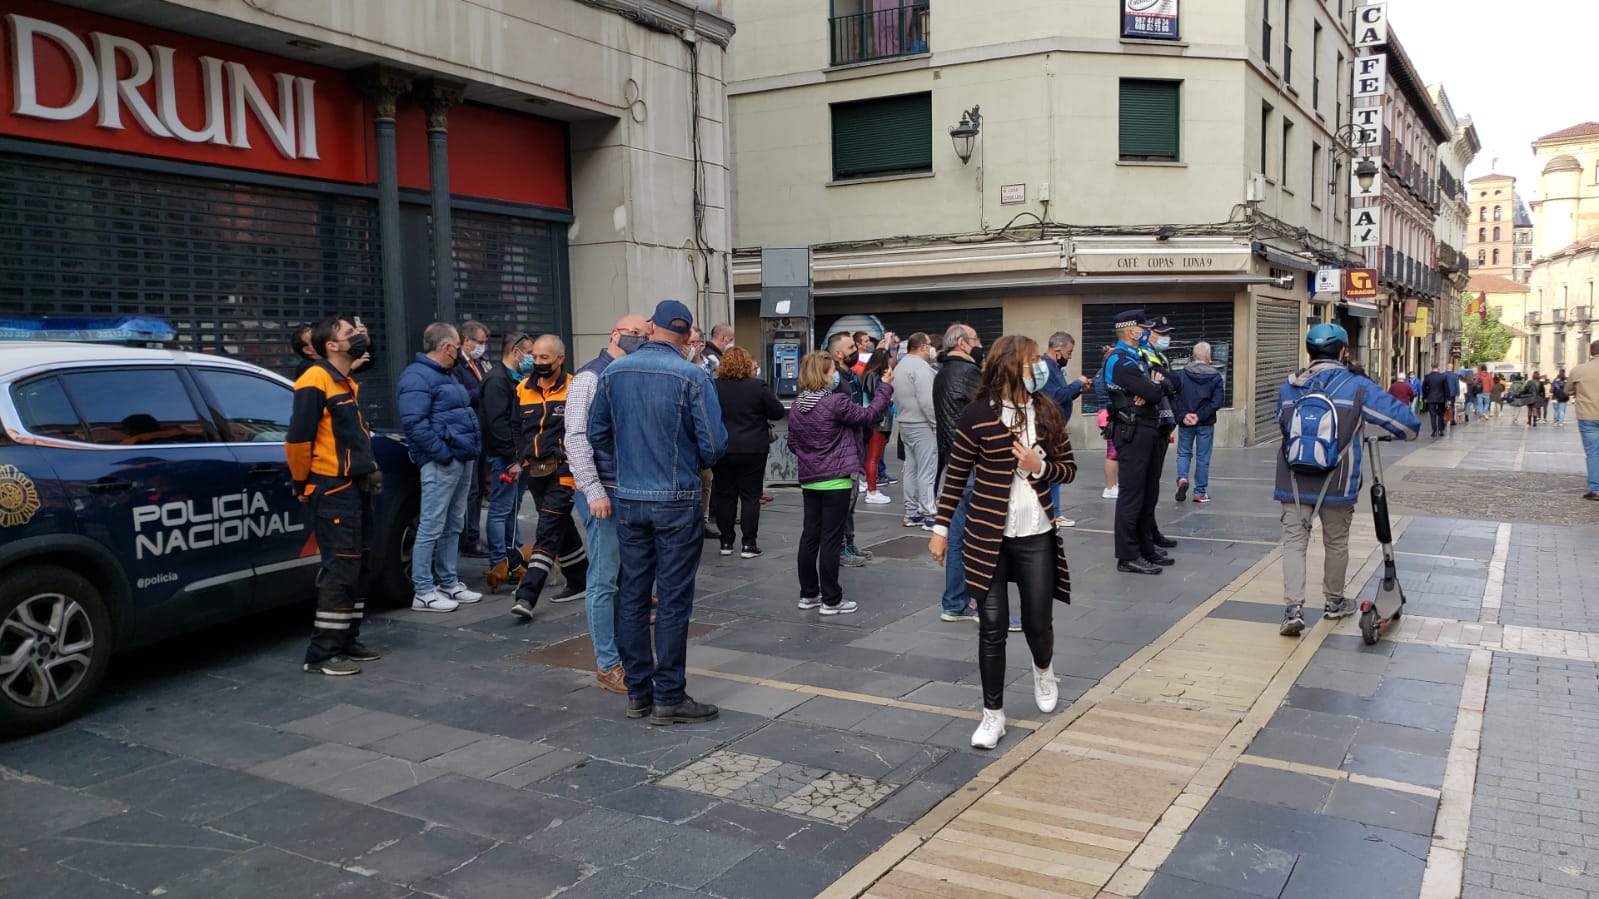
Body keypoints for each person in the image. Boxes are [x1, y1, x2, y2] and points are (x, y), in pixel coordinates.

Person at [929, 335, 1076, 749]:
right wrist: (941, 530)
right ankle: (992, 714)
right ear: (1011, 366)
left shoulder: (1046, 411)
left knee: (1037, 623)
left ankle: (1043, 669)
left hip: (1037, 536)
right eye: (1032, 362)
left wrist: (1038, 466)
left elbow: (1068, 470)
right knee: (991, 628)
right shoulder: (977, 415)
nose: (1039, 368)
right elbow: (955, 474)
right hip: (986, 536)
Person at [589, 300, 728, 725]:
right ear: (687, 337)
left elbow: (597, 433)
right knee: (672, 600)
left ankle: (638, 692)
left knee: (632, 595)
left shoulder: (614, 372)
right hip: (677, 499)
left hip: (631, 498)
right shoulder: (693, 375)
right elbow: (714, 444)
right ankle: (668, 695)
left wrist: (630, 462)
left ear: (651, 328)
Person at [1275, 324, 1419, 635]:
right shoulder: (1356, 386)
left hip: (1293, 480)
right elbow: (1405, 423)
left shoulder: (1289, 387)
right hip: (1338, 480)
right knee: (1336, 542)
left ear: (1309, 352)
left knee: (1294, 543)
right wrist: (1406, 433)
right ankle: (1334, 602)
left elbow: (1283, 426)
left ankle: (1293, 610)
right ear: (1343, 351)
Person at [286, 316, 383, 676]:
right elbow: (298, 439)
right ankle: (323, 652)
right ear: (332, 345)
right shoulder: (316, 378)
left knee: (358, 565)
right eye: (349, 333)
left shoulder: (343, 380)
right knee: (340, 568)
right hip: (333, 488)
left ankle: (347, 639)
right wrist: (302, 483)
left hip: (355, 487)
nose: (357, 337)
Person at [566, 314, 650, 694]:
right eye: (633, 334)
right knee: (604, 578)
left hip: (630, 487)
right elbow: (577, 438)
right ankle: (607, 663)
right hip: (606, 490)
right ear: (614, 333)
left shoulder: (629, 373)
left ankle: (625, 656)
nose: (639, 339)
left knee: (625, 578)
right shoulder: (589, 377)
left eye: (644, 335)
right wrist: (593, 490)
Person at [788, 352, 894, 615]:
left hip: (810, 480)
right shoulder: (835, 402)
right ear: (822, 375)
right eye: (830, 370)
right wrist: (886, 387)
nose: (835, 374)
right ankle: (831, 599)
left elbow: (792, 443)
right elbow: (869, 415)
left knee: (809, 536)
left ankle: (809, 593)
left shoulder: (798, 405)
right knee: (831, 540)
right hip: (835, 480)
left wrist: (811, 457)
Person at [396, 322, 483, 613]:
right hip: (444, 459)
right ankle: (423, 590)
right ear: (447, 347)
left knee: (452, 523)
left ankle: (447, 581)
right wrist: (442, 454)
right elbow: (415, 424)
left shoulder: (442, 375)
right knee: (432, 525)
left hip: (458, 456)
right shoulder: (418, 377)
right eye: (458, 346)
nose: (460, 351)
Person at [509, 334, 589, 619]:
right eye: (536, 357)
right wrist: (521, 457)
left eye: (545, 358)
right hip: (535, 470)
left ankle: (527, 596)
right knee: (560, 524)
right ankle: (580, 579)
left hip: (565, 469)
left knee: (546, 529)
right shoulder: (522, 389)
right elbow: (516, 427)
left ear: (560, 359)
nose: (539, 362)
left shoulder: (574, 388)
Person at [1103, 309, 1169, 575]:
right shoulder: (1120, 361)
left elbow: (1167, 382)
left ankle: (1145, 548)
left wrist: (1154, 387)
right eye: (1143, 328)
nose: (1146, 333)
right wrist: (1151, 388)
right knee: (1132, 496)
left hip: (1147, 430)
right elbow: (1152, 391)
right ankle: (1128, 555)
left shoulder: (1138, 356)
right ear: (1130, 331)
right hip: (1133, 431)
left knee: (1147, 493)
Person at [712, 345, 786, 557]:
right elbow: (777, 412)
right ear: (748, 364)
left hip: (723, 447)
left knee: (725, 495)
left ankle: (726, 542)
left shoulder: (714, 386)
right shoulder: (757, 386)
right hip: (753, 448)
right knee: (750, 497)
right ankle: (748, 544)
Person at [933, 323, 983, 622]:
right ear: (963, 343)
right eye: (976, 339)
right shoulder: (967, 373)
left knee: (957, 535)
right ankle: (966, 602)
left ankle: (955, 601)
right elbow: (989, 410)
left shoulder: (943, 373)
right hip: (970, 462)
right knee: (971, 536)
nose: (979, 344)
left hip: (953, 460)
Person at [481, 332, 532, 592]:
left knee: (511, 509)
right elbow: (497, 424)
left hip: (517, 456)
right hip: (506, 458)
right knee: (501, 510)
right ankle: (500, 561)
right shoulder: (497, 381)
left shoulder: (515, 379)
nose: (531, 358)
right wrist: (511, 459)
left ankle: (514, 559)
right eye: (529, 352)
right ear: (515, 351)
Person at [827, 332, 872, 567]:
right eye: (851, 347)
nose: (855, 350)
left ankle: (849, 542)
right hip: (843, 449)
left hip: (854, 443)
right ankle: (842, 548)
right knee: (844, 500)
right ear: (838, 354)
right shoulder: (836, 382)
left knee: (851, 499)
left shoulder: (849, 377)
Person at [1138, 315, 1181, 551]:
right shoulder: (1144, 354)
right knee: (1146, 485)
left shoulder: (1160, 355)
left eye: (1167, 333)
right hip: (1151, 423)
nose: (1166, 338)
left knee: (1153, 484)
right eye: (1162, 334)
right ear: (1149, 333)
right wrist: (1168, 382)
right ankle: (1146, 534)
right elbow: (1165, 382)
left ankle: (1151, 530)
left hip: (1163, 424)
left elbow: (1175, 381)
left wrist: (1168, 382)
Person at [1041, 331, 1091, 527]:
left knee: (1055, 471)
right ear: (1057, 350)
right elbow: (1055, 396)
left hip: (1056, 427)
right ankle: (1052, 512)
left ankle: (1055, 511)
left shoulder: (1054, 367)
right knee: (1053, 471)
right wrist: (1077, 383)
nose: (1070, 357)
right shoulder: (1046, 367)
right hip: (1049, 428)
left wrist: (1078, 390)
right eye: (1069, 353)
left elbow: (1063, 396)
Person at [453, 320, 493, 558]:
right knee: (471, 490)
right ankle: (469, 537)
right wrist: (482, 390)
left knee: (479, 487)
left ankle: (474, 534)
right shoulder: (457, 366)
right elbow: (459, 396)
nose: (482, 347)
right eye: (479, 342)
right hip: (468, 431)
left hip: (482, 432)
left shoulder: (480, 363)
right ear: (466, 341)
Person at [894, 332, 940, 529]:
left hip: (905, 422)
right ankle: (930, 514)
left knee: (911, 468)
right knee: (927, 470)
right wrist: (936, 424)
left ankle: (912, 512)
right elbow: (927, 401)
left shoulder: (900, 366)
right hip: (922, 424)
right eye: (929, 345)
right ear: (922, 347)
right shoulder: (921, 368)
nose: (931, 349)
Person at [1173, 341, 1224, 504]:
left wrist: (1184, 415)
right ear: (1208, 356)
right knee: (1203, 457)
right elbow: (1217, 402)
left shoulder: (1181, 375)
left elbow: (1175, 398)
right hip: (1205, 423)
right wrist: (1199, 416)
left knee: (1183, 453)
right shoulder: (1215, 377)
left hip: (1185, 422)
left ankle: (1181, 479)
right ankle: (1200, 492)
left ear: (1193, 356)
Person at [861, 348, 896, 505]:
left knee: (871, 456)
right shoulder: (875, 377)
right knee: (874, 457)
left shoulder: (868, 375)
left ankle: (871, 488)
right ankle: (872, 490)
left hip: (873, 421)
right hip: (877, 422)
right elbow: (879, 398)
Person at [1569, 343, 1599, 500]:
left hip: (1588, 414)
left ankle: (1596, 489)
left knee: (1593, 453)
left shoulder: (1579, 370)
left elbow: (1567, 390)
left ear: (1591, 353)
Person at [1093, 345, 1119, 500]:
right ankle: (1110, 487)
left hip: (1103, 413)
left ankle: (1113, 485)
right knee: (1113, 452)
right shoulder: (1110, 374)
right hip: (1111, 414)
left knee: (1115, 451)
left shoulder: (1098, 374)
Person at [1421, 364, 1451, 437]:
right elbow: (1446, 388)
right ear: (1438, 367)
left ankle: (1434, 431)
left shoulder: (1427, 377)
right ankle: (1440, 430)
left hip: (1431, 398)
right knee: (1441, 414)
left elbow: (1424, 388)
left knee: (1432, 415)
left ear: (1431, 368)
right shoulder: (1443, 376)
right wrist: (1448, 399)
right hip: (1441, 398)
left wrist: (1424, 398)